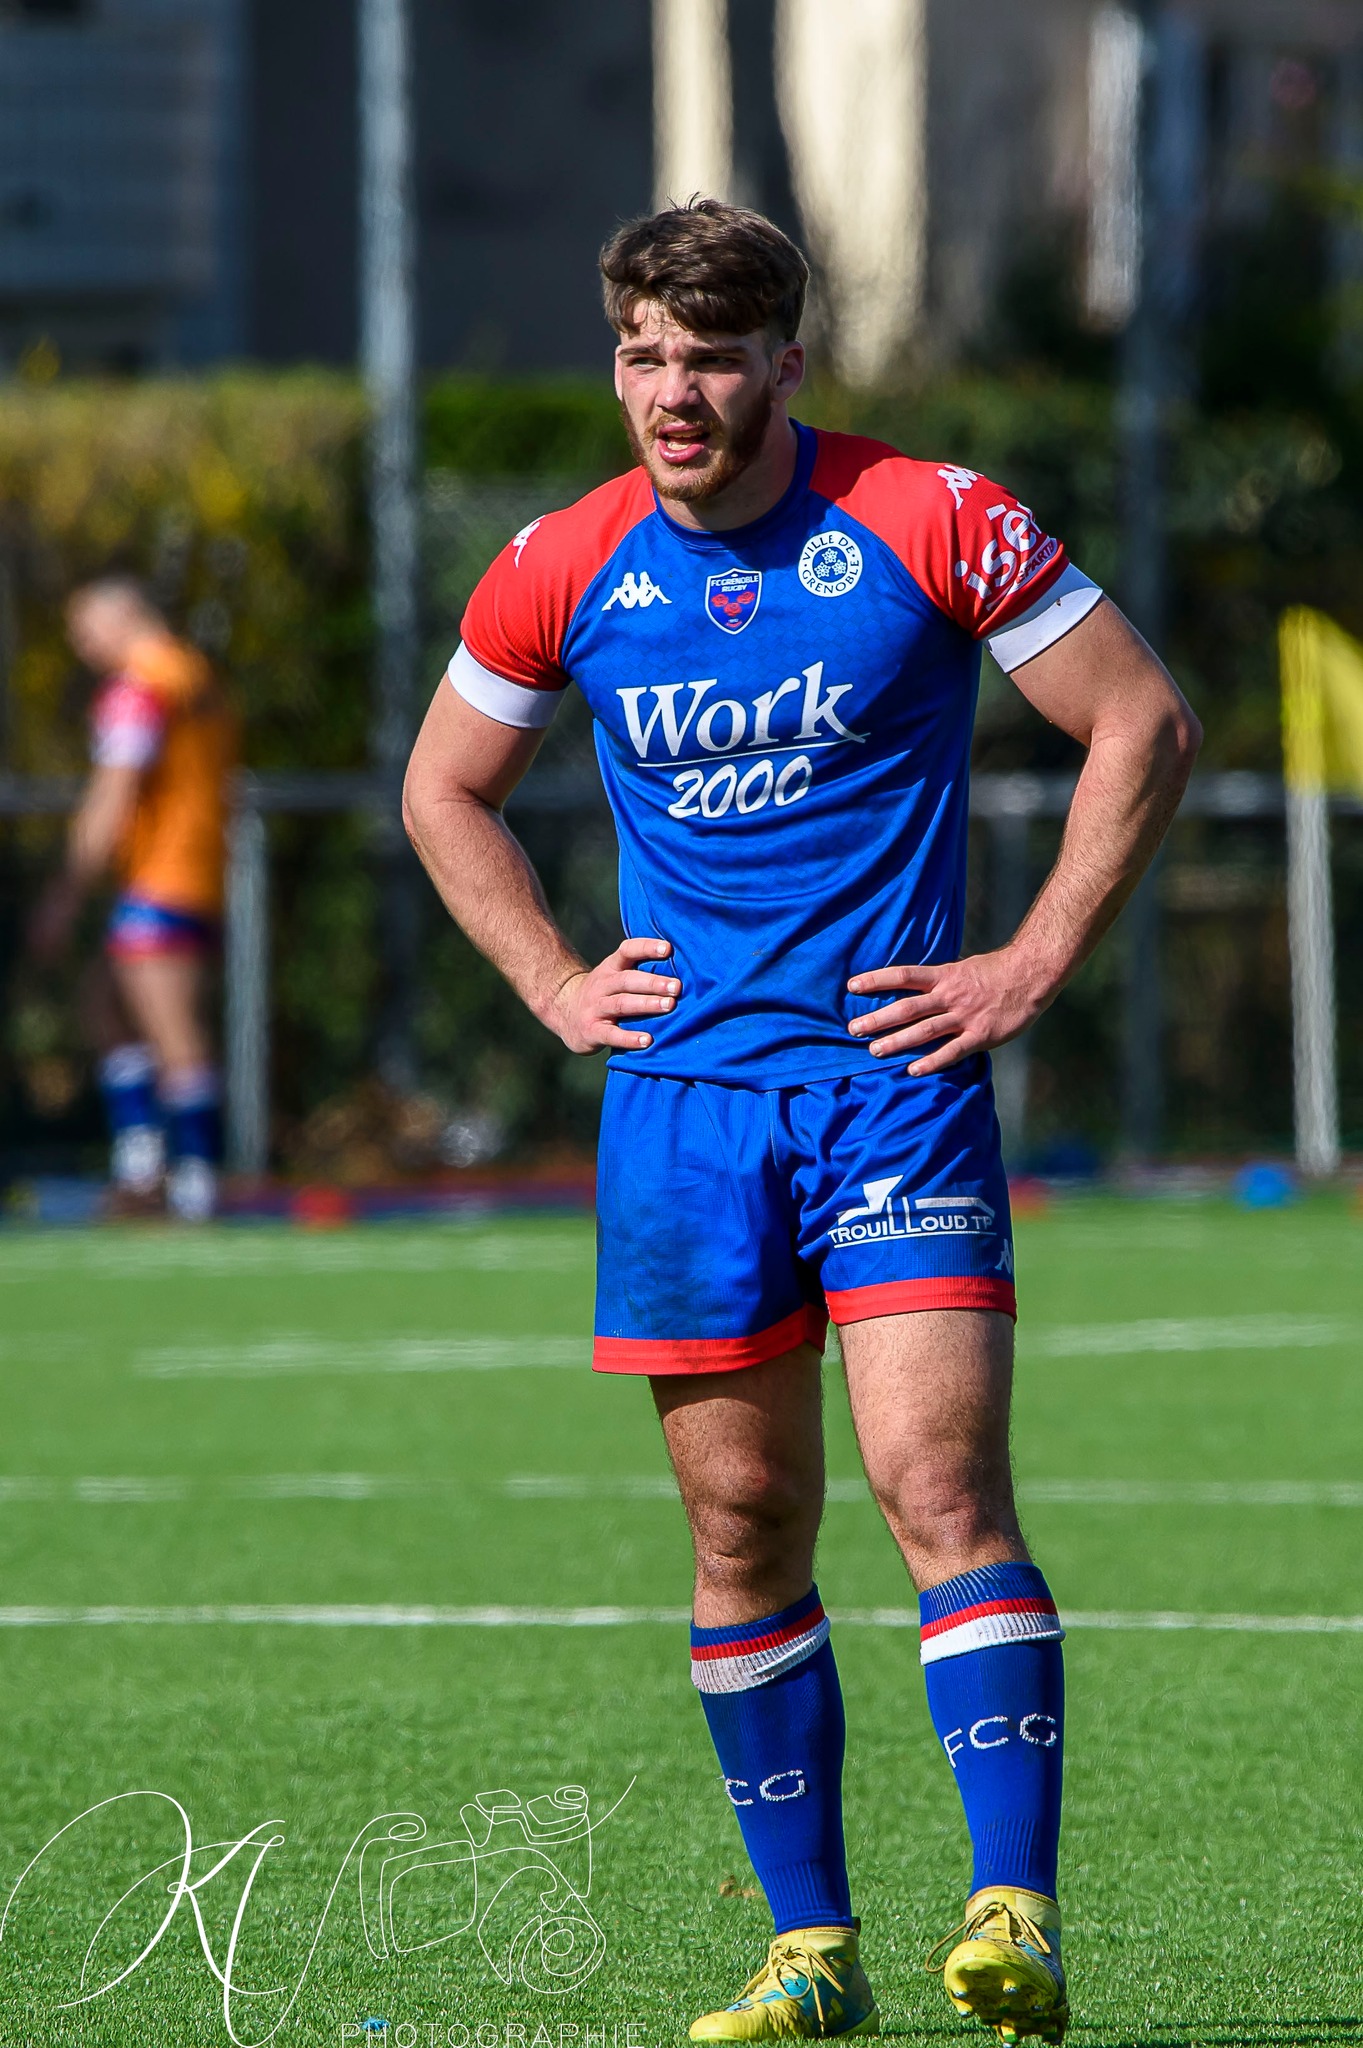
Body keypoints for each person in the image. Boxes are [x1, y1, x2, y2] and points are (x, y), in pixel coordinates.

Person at [403, 200, 1200, 2045]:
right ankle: (807, 1950)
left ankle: (1013, 1907)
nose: (671, 394)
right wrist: (546, 982)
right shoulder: (558, 565)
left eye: (708, 357)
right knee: (744, 1523)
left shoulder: (928, 515)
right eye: (640, 357)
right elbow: (444, 788)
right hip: (680, 1115)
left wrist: (1025, 961)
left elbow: (1137, 721)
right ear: (614, 359)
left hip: (890, 1093)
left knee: (938, 1490)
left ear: (782, 361)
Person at [29, 577, 237, 1220]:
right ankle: (144, 1164)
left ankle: (193, 1182)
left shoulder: (138, 687)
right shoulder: (192, 673)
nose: (78, 642)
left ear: (124, 619)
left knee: (173, 1035)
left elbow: (113, 795)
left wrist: (66, 891)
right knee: (105, 1004)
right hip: (197, 872)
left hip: (160, 881)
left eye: (84, 627)